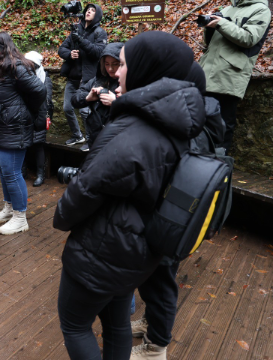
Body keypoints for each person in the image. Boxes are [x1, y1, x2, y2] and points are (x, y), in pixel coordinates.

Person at [53, 31, 206, 359]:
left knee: (76, 325)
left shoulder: (133, 130)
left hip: (103, 250)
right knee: (117, 322)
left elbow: (86, 189)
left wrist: (61, 216)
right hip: (136, 249)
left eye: (123, 65)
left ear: (146, 71)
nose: (116, 72)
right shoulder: (174, 123)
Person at [130, 62, 226, 360]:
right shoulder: (193, 117)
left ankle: (156, 347)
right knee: (154, 279)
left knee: (162, 281)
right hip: (169, 214)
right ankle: (152, 324)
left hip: (171, 217)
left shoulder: (186, 125)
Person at [199, 0, 271, 153]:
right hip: (208, 73)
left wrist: (222, 23)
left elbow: (249, 39)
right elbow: (211, 43)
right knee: (202, 125)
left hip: (229, 76)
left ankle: (219, 171)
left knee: (222, 126)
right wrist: (209, 27)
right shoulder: (228, 8)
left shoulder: (261, 11)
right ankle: (200, 168)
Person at [0, 32, 46, 235]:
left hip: (13, 127)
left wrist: (24, 112)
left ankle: (20, 217)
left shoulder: (16, 67)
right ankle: (9, 207)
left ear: (3, 48)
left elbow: (39, 91)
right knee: (3, 171)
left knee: (12, 173)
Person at [58, 3, 107, 147]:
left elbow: (98, 52)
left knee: (86, 112)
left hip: (88, 79)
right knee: (67, 108)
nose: (89, 12)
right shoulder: (75, 30)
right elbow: (62, 49)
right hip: (73, 78)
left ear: (97, 15)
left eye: (93, 10)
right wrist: (69, 54)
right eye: (87, 10)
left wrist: (81, 40)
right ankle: (77, 135)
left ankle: (90, 139)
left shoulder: (99, 32)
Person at [71, 42, 124, 151]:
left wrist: (116, 102)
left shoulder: (129, 81)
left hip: (118, 139)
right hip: (96, 137)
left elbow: (140, 107)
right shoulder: (98, 80)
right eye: (107, 64)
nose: (110, 69)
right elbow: (74, 99)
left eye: (115, 64)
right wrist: (87, 98)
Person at [23, 51, 53, 187]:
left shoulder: (45, 78)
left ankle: (40, 174)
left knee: (38, 144)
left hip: (40, 116)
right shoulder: (23, 76)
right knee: (22, 143)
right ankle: (23, 170)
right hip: (25, 115)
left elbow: (47, 100)